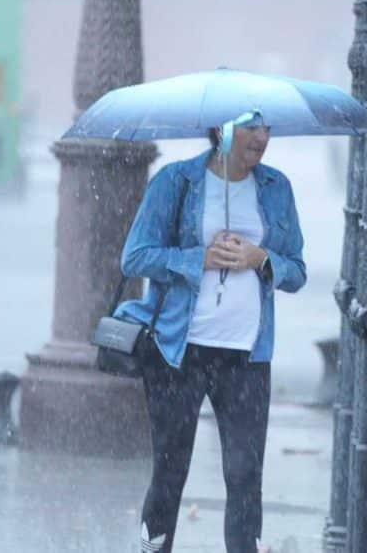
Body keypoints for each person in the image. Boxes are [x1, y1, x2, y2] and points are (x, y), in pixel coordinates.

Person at [114, 110, 307, 553]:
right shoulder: (176, 182)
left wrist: (261, 258)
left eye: (266, 127)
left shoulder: (277, 189)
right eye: (251, 127)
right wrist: (195, 258)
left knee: (244, 475)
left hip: (246, 357)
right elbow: (135, 257)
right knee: (169, 470)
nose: (263, 136)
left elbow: (296, 272)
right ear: (222, 131)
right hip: (178, 352)